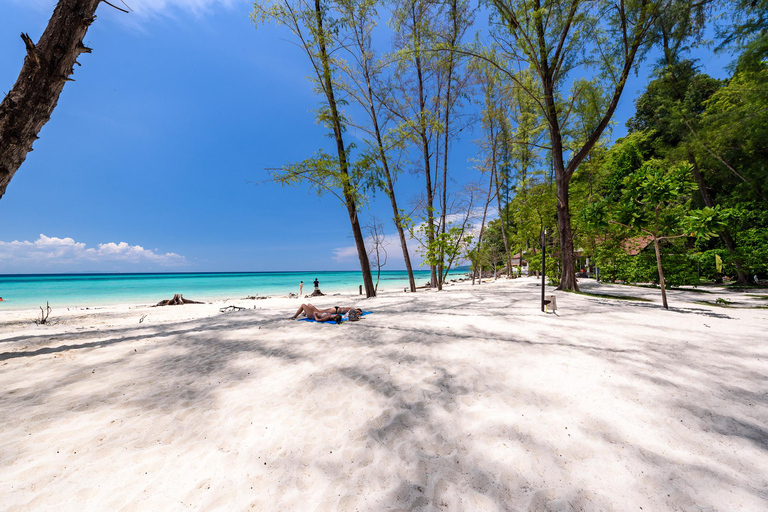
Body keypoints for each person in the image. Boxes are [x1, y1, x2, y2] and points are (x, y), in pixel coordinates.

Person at [291, 303, 362, 320]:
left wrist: (359, 313)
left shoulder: (353, 310)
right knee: (309, 305)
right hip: (330, 310)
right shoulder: (352, 309)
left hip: (314, 315)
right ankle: (305, 312)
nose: (357, 311)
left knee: (304, 305)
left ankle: (295, 316)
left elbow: (319, 320)